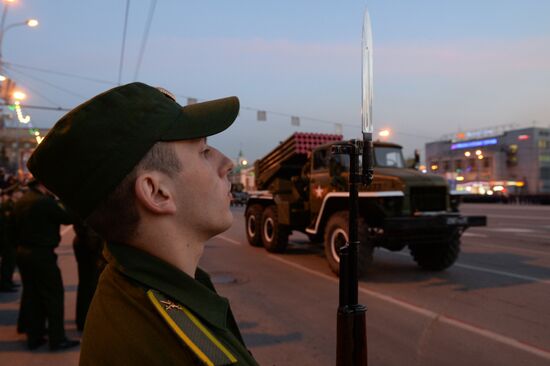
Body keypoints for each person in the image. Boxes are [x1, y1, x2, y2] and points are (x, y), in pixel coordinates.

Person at [28, 82, 260, 365]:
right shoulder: (167, 344)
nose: (227, 164)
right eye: (203, 151)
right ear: (156, 192)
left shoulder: (133, 293)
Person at [14, 180, 79, 350]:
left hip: (23, 252)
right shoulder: (44, 202)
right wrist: (63, 199)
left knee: (32, 294)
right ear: (43, 185)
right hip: (41, 254)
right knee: (53, 296)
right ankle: (57, 338)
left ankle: (34, 336)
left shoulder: (22, 200)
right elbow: (69, 217)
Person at [72, 219, 106, 331]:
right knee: (91, 285)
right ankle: (88, 321)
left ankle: (82, 320)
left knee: (85, 285)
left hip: (83, 243)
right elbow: (92, 234)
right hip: (90, 248)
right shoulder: (91, 207)